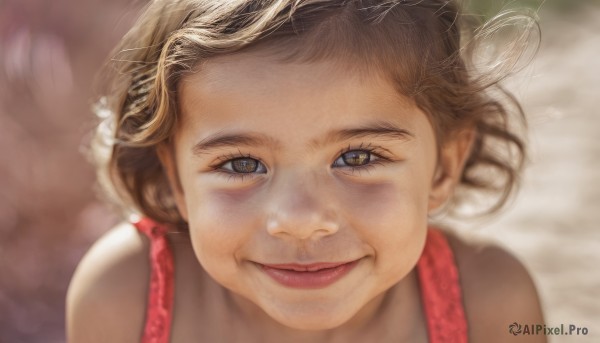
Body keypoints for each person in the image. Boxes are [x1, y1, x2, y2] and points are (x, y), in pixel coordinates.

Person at [66, 0, 545, 342]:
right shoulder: (125, 298)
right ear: (176, 179)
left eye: (357, 157)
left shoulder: (491, 305)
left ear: (443, 166)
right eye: (241, 164)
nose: (299, 218)